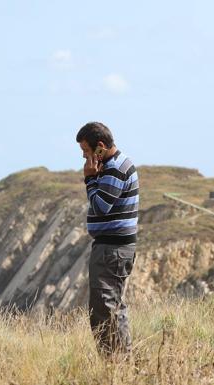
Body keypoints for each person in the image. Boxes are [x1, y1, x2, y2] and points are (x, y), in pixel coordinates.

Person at [76, 121, 139, 358]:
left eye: (86, 151)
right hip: (114, 248)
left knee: (103, 310)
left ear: (100, 147)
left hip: (112, 249)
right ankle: (122, 361)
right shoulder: (114, 165)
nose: (84, 157)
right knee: (112, 306)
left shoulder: (115, 168)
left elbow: (101, 207)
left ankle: (116, 364)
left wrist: (90, 179)